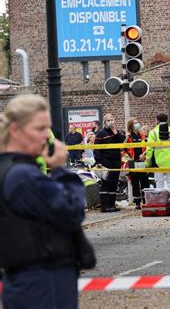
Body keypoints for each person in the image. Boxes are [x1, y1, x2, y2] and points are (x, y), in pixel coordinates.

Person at [0, 94, 94, 308]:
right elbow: (72, 211)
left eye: (47, 129)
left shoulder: (8, 169)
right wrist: (61, 170)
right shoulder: (22, 175)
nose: (47, 137)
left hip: (27, 277)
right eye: (39, 129)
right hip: (43, 278)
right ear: (15, 130)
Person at [94, 113, 126, 212]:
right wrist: (98, 161)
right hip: (106, 160)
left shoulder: (116, 133)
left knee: (114, 182)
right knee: (106, 182)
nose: (111, 121)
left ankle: (112, 204)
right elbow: (97, 148)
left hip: (116, 159)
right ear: (104, 122)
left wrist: (115, 131)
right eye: (108, 120)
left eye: (112, 119)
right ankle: (105, 205)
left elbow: (121, 140)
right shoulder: (101, 133)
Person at [125, 118, 149, 209]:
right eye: (135, 123)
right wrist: (128, 159)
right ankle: (137, 202)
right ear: (131, 125)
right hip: (132, 162)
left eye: (137, 122)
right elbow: (123, 149)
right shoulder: (128, 137)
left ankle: (146, 201)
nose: (137, 124)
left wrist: (144, 154)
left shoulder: (142, 135)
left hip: (142, 161)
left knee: (144, 182)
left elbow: (147, 147)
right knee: (135, 183)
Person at [146, 113, 170, 190]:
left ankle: (161, 201)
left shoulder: (153, 132)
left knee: (159, 185)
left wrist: (147, 163)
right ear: (167, 120)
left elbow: (149, 149)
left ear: (157, 120)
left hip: (158, 162)